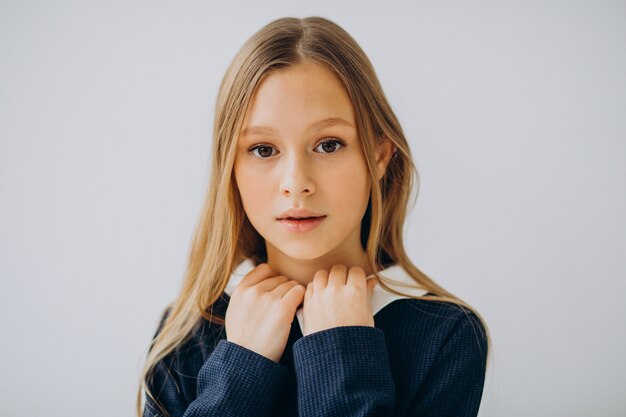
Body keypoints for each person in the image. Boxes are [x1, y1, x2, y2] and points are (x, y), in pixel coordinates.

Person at [137, 16, 491, 417]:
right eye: (263, 150)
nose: (296, 183)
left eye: (328, 144)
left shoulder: (445, 335)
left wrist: (340, 349)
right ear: (229, 168)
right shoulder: (185, 330)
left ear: (378, 155)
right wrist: (241, 369)